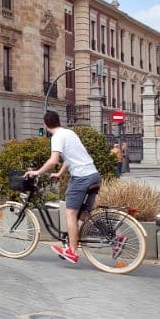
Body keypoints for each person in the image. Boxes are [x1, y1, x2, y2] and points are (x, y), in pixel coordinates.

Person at [25, 111, 100, 264]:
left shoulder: (57, 137)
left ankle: (72, 251)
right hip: (93, 175)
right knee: (83, 214)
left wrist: (37, 172)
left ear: (45, 125)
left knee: (70, 215)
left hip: (81, 178)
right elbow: (70, 158)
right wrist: (59, 174)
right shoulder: (69, 133)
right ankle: (114, 236)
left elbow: (53, 160)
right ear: (59, 121)